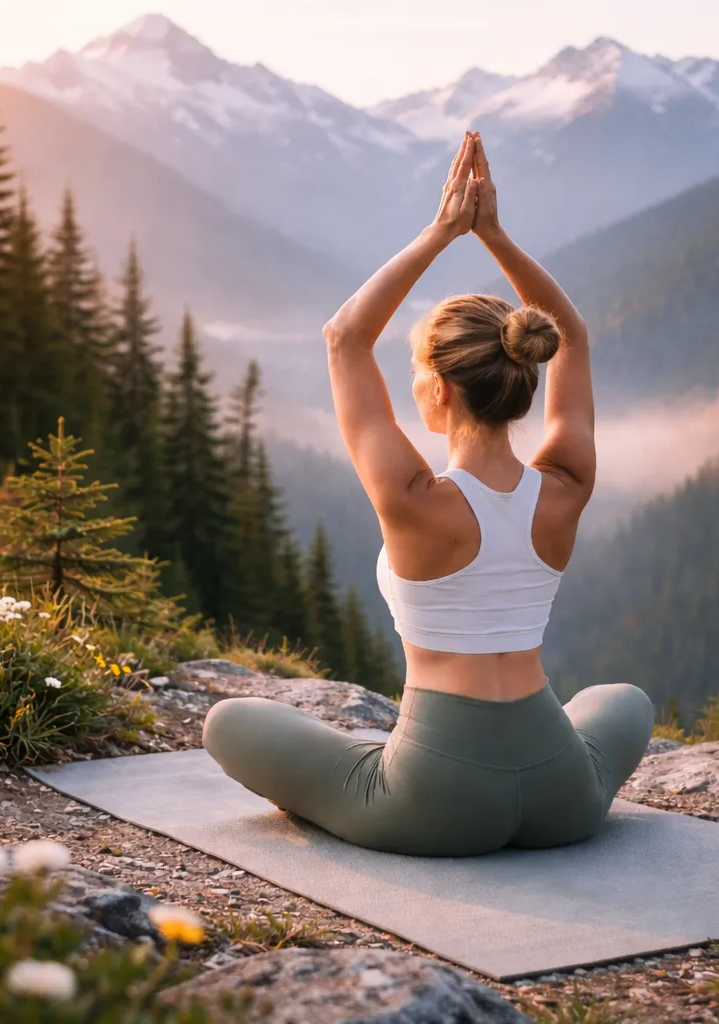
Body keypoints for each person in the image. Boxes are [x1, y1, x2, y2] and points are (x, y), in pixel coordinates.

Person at [203, 131, 654, 857]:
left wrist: (445, 230)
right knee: (624, 701)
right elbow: (572, 333)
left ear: (437, 389)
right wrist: (497, 236)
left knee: (227, 723)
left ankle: (378, 766)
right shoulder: (566, 486)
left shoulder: (414, 499)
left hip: (438, 801)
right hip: (564, 794)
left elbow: (345, 337)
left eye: (416, 371)